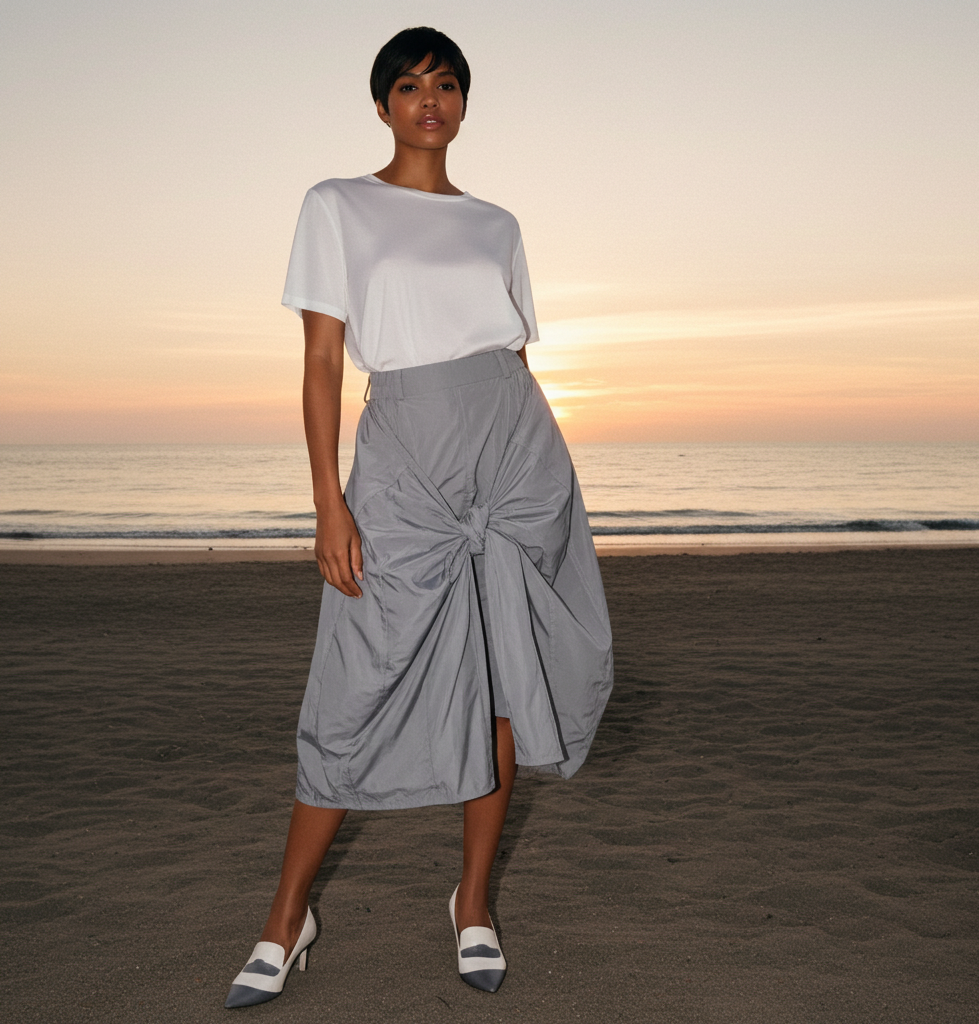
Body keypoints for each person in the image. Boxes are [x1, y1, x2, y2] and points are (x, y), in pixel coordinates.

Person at [225, 26, 613, 1008]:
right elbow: (319, 363)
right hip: (402, 469)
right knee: (354, 685)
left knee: (502, 688)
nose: (428, 100)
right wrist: (328, 500)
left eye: (445, 84)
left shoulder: (497, 225)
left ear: (464, 103)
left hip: (514, 459)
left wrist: (542, 480)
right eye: (409, 85)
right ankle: (285, 917)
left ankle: (472, 902)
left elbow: (516, 362)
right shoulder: (337, 206)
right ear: (383, 103)